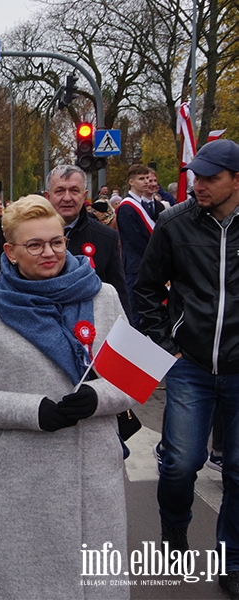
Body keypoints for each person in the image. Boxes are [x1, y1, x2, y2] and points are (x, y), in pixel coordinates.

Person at [0, 196, 134, 598]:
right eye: (34, 245)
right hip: (22, 479)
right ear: (11, 252)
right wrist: (34, 410)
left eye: (56, 241)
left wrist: (97, 397)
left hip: (92, 473)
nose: (48, 252)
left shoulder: (103, 298)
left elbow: (130, 381)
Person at [133, 138, 239, 598]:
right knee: (180, 464)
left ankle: (232, 558)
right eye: (196, 176)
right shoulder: (173, 223)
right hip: (190, 366)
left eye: (211, 178)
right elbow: (146, 288)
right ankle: (174, 527)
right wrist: (164, 346)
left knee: (238, 469)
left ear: (237, 180)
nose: (198, 185)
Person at [44, 165, 130, 314]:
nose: (67, 197)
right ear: (47, 196)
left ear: (84, 196)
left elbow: (119, 295)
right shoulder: (29, 237)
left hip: (91, 326)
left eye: (74, 190)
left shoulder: (107, 237)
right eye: (60, 191)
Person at [117, 163, 165, 325]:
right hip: (134, 264)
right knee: (134, 311)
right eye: (141, 179)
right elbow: (135, 238)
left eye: (146, 178)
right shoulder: (127, 207)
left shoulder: (144, 205)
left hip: (144, 264)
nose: (145, 182)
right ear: (131, 182)